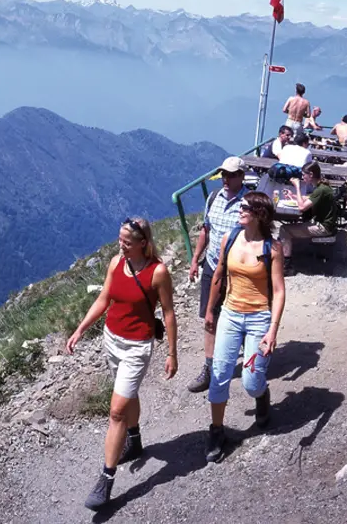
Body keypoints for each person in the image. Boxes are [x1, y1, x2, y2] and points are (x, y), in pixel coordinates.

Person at [66, 217, 178, 510]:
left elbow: (168, 313)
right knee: (126, 396)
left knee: (116, 411)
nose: (121, 246)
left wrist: (172, 353)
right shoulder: (117, 262)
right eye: (120, 241)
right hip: (111, 340)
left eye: (127, 243)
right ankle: (135, 438)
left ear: (143, 243)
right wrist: (80, 329)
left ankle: (106, 479)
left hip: (137, 347)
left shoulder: (158, 272)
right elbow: (105, 298)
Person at [204, 192, 285, 462]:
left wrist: (272, 329)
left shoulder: (272, 249)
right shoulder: (230, 239)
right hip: (229, 314)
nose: (240, 210)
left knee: (251, 382)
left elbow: (279, 291)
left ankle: (260, 394)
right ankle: (216, 431)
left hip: (258, 318)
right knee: (220, 374)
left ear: (259, 214)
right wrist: (210, 312)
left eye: (245, 208)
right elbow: (218, 275)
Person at [186, 157, 247, 393]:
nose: (225, 178)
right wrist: (195, 259)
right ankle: (210, 368)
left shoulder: (248, 203)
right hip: (212, 266)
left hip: (237, 272)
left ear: (241, 176)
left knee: (235, 318)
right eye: (223, 174)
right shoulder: (213, 198)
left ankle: (236, 359)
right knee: (209, 317)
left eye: (230, 175)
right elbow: (206, 230)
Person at [280, 162, 338, 272]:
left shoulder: (321, 190)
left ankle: (287, 265)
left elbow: (302, 207)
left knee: (284, 230)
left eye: (303, 175)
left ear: (310, 174)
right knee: (290, 228)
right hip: (326, 224)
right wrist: (293, 196)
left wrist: (297, 187)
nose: (302, 177)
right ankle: (286, 250)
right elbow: (309, 198)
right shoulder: (322, 187)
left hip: (323, 228)